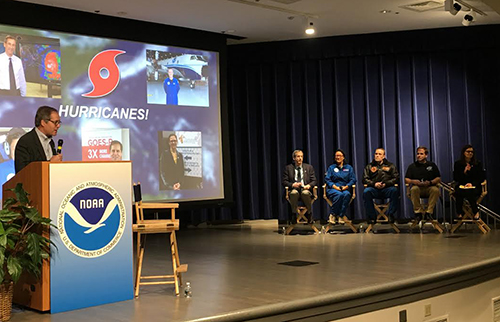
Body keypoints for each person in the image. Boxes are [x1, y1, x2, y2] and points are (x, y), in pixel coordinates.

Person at [14, 106, 62, 173]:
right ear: (43, 123)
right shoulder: (26, 141)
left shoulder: (50, 142)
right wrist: (49, 163)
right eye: (55, 122)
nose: (58, 126)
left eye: (59, 122)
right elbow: (22, 172)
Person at [362, 148, 399, 224]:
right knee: (366, 192)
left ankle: (390, 214)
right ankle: (372, 216)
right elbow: (364, 179)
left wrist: (386, 184)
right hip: (374, 189)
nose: (377, 156)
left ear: (384, 156)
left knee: (395, 191)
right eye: (376, 154)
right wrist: (374, 184)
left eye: (379, 154)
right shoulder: (369, 166)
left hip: (387, 188)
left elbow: (396, 178)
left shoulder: (390, 166)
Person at [404, 146, 441, 221]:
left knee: (435, 190)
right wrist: (413, 181)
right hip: (418, 188)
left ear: (426, 155)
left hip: (429, 187)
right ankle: (418, 213)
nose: (419, 155)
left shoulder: (432, 165)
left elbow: (438, 178)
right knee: (414, 189)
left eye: (421, 154)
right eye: (418, 154)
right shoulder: (412, 166)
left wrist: (430, 182)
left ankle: (429, 212)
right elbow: (406, 179)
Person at [282, 150, 317, 224]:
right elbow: (284, 182)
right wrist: (292, 185)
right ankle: (294, 214)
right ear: (294, 158)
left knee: (305, 193)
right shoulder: (288, 168)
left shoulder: (308, 167)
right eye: (298, 156)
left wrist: (309, 185)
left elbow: (314, 180)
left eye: (301, 156)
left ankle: (309, 214)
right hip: (294, 189)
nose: (300, 158)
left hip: (305, 189)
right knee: (294, 193)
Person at [453, 144, 485, 220]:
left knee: (469, 192)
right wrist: (464, 172)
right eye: (468, 151)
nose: (470, 153)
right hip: (462, 185)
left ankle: (475, 211)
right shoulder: (458, 164)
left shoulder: (477, 164)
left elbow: (481, 177)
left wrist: (472, 183)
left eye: (472, 152)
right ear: (463, 153)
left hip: (474, 186)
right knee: (458, 192)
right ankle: (459, 213)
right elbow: (456, 178)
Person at [324, 149, 356, 223]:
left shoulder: (349, 168)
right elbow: (327, 179)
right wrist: (334, 187)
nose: (338, 157)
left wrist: (347, 186)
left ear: (343, 157)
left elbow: (353, 179)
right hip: (333, 188)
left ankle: (340, 216)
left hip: (345, 188)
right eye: (336, 156)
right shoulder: (331, 168)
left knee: (346, 194)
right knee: (339, 195)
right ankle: (334, 214)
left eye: (339, 156)